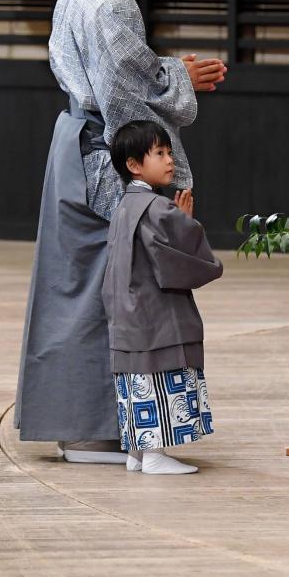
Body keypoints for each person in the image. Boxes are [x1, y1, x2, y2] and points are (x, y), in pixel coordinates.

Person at [15, 0, 227, 464]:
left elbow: (126, 76)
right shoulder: (110, 0)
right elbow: (124, 98)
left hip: (77, 147)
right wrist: (159, 184)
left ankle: (84, 425)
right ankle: (99, 430)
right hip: (106, 156)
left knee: (82, 286)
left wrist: (169, 73)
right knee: (122, 291)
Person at [103, 120, 223, 474]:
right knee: (158, 379)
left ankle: (137, 453)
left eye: (169, 152)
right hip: (154, 313)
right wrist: (187, 223)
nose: (170, 160)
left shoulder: (124, 207)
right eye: (159, 153)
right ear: (134, 164)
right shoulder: (156, 208)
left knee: (137, 384)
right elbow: (180, 262)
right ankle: (154, 456)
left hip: (127, 312)